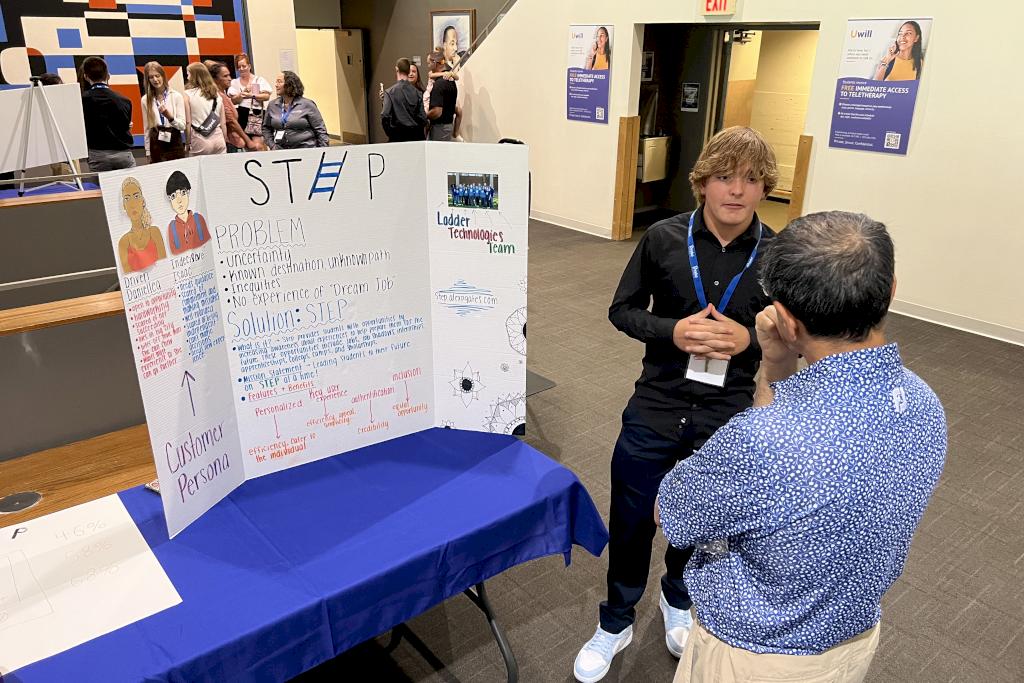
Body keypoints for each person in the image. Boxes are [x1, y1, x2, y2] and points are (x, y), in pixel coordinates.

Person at [658, 211, 947, 682]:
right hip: (854, 639)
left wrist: (770, 372)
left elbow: (672, 514)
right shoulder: (923, 401)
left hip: (755, 658)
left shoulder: (761, 441)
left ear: (787, 322)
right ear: (891, 289)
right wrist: (777, 367)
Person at [573, 126, 779, 683]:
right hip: (659, 400)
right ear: (702, 182)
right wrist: (672, 331)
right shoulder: (664, 238)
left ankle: (677, 596)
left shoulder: (778, 253)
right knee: (633, 517)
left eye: (750, 179)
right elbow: (622, 310)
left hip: (729, 410)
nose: (736, 190)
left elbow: (794, 333)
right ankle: (616, 621)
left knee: (704, 519)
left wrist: (749, 339)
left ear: (765, 188)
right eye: (724, 177)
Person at [80, 57, 135, 171]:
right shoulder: (125, 101)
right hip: (124, 156)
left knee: (99, 184)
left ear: (85, 76)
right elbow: (126, 126)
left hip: (98, 156)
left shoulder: (81, 101)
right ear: (108, 76)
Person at [263, 71, 330, 150]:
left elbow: (320, 130)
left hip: (306, 149)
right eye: (276, 82)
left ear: (290, 84)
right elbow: (266, 128)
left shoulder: (307, 104)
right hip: (281, 150)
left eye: (279, 82)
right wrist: (272, 145)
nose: (276, 85)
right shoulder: (272, 105)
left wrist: (323, 151)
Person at [117, 177, 166, 273]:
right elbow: (128, 276)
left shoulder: (155, 232)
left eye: (136, 196)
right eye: (127, 199)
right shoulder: (123, 242)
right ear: (124, 206)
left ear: (143, 201)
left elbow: (164, 266)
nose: (132, 204)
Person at [142, 61, 188, 163]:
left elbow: (182, 126)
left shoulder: (176, 96)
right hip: (156, 142)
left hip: (174, 141)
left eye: (157, 76)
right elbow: (146, 128)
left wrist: (170, 117)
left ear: (163, 76)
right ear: (147, 80)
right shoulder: (145, 100)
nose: (155, 80)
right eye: (151, 77)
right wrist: (148, 151)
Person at [208, 61, 255, 153]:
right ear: (215, 79)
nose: (229, 79)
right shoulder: (219, 96)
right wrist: (248, 141)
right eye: (225, 76)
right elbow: (231, 122)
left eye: (229, 75)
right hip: (230, 142)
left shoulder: (223, 95)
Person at [228, 53, 272, 146]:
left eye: (244, 66)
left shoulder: (259, 80)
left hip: (256, 113)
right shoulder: (234, 82)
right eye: (239, 67)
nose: (241, 69)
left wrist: (252, 95)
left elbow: (266, 96)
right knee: (245, 143)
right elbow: (234, 101)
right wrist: (243, 93)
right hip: (241, 114)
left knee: (258, 144)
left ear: (249, 66)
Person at [184, 62, 227, 156]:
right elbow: (223, 123)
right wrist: (224, 139)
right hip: (219, 139)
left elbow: (188, 122)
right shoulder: (217, 95)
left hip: (199, 139)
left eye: (188, 74)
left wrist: (187, 142)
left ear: (194, 76)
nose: (187, 78)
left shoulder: (187, 95)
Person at [165, 170, 210, 255]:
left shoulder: (199, 219)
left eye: (183, 192)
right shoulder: (172, 227)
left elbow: (208, 245)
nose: (179, 201)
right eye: (173, 196)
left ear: (188, 193)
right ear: (169, 199)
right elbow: (174, 254)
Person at [381, 58, 427, 142]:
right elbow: (423, 118)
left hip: (397, 137)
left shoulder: (389, 92)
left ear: (397, 69)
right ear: (408, 71)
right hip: (416, 137)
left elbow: (385, 115)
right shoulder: (418, 93)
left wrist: (390, 133)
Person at [426, 51, 458, 141]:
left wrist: (424, 115)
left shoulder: (439, 84)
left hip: (440, 128)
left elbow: (437, 112)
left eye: (429, 63)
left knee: (437, 150)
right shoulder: (451, 82)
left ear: (434, 63)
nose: (428, 66)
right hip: (448, 126)